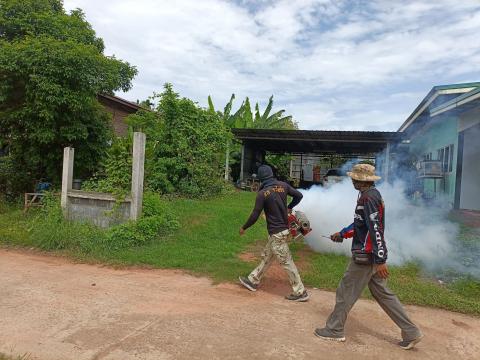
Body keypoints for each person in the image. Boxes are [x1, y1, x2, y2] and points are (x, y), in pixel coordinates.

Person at [314, 163, 423, 350]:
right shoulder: (368, 196)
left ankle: (334, 330)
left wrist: (381, 259)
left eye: (355, 178)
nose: (352, 180)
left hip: (365, 257)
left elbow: (376, 229)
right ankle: (411, 332)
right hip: (371, 255)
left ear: (361, 180)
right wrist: (342, 233)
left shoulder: (369, 198)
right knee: (384, 295)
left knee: (345, 291)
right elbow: (360, 224)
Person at [238, 164, 309, 302]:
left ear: (260, 178)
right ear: (271, 174)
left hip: (277, 234)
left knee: (287, 262)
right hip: (282, 231)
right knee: (268, 256)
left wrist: (244, 227)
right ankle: (253, 279)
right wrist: (289, 207)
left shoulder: (262, 194)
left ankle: (300, 292)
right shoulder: (283, 186)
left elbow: (255, 215)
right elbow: (299, 195)